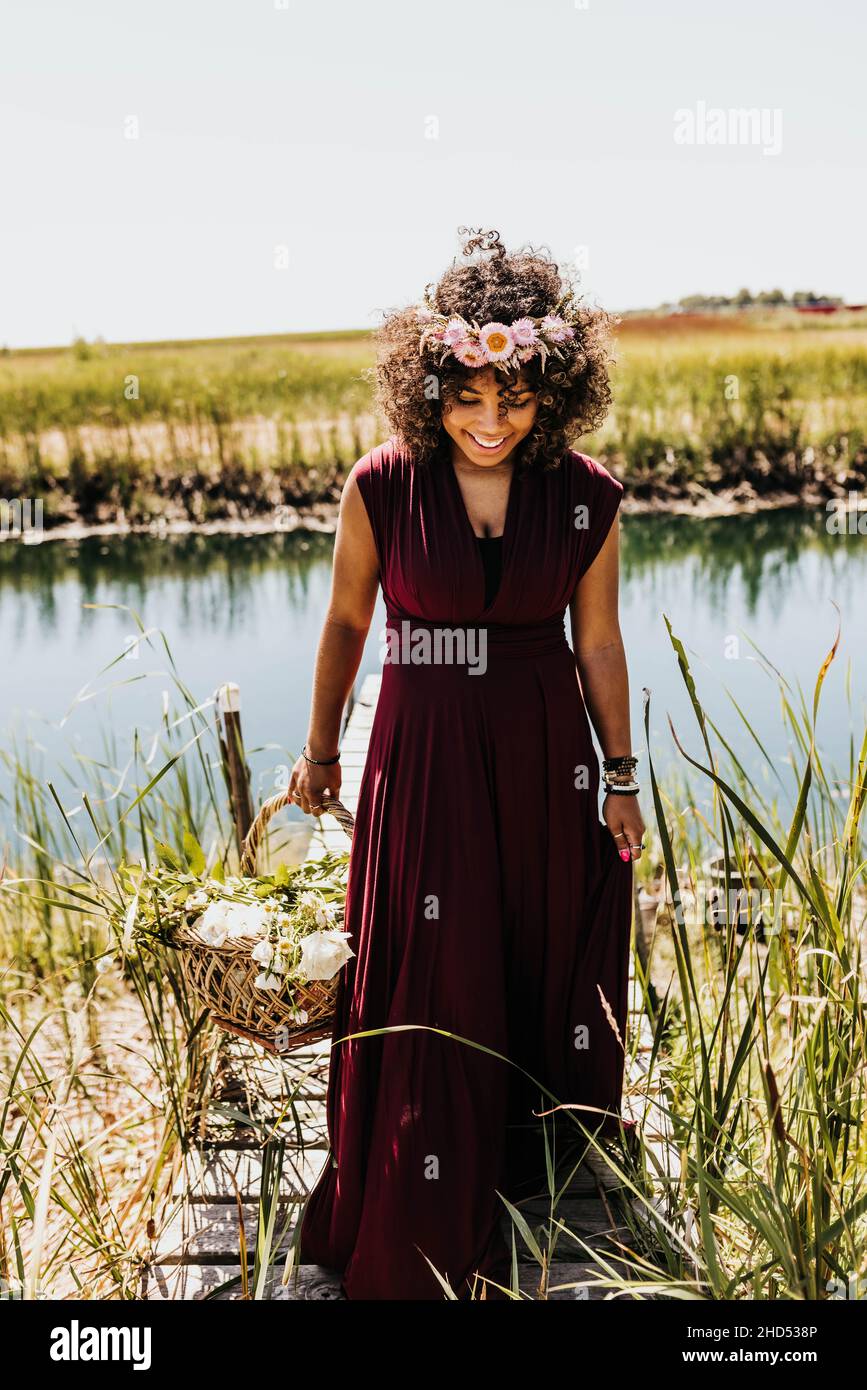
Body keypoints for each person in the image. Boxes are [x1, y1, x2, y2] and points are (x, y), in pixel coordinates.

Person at [292, 227, 644, 1299]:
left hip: (545, 753)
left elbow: (598, 642)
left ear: (553, 395)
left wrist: (621, 775)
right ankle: (426, 1185)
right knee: (439, 965)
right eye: (467, 395)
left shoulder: (585, 496)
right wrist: (318, 752)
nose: (489, 421)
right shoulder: (383, 488)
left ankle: (528, 1157)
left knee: (534, 939)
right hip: (428, 749)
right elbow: (349, 622)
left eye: (516, 398)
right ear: (429, 382)